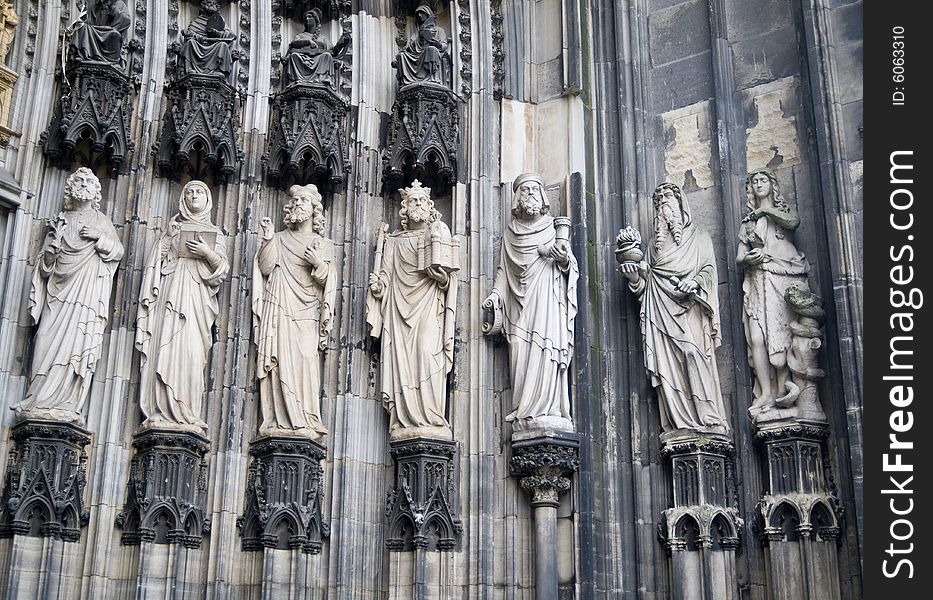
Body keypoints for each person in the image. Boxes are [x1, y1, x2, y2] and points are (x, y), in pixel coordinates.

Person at [17, 168, 124, 424]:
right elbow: (44, 268)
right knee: (44, 339)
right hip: (58, 294)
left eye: (89, 181)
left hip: (85, 296)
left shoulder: (101, 221)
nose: (83, 184)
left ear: (96, 191)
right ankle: (38, 399)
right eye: (79, 180)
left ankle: (67, 403)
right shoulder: (60, 220)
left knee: (76, 346)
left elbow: (117, 251)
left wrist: (99, 238)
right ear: (70, 187)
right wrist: (51, 254)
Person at [619, 182, 728, 433]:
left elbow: (709, 270)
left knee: (692, 353)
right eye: (658, 201)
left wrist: (694, 283)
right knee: (668, 368)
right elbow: (644, 287)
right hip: (660, 313)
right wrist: (634, 277)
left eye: (668, 197)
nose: (663, 203)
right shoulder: (650, 248)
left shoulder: (699, 237)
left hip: (690, 308)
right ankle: (678, 420)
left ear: (680, 204)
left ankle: (706, 414)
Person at [483, 172, 578, 431]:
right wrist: (495, 295)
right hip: (517, 307)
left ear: (543, 195)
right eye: (524, 190)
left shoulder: (552, 228)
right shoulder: (510, 234)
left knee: (546, 351)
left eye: (535, 189)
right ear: (517, 197)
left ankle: (549, 408)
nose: (530, 194)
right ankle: (524, 408)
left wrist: (562, 259)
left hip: (547, 302)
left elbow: (569, 266)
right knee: (520, 352)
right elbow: (504, 271)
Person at [366, 180, 458, 440]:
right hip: (398, 311)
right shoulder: (393, 242)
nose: (417, 205)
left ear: (429, 208)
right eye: (411, 201)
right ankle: (404, 418)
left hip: (428, 308)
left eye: (421, 201)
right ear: (404, 210)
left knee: (428, 354)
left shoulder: (437, 235)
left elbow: (449, 281)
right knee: (403, 364)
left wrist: (441, 278)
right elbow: (385, 277)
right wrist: (379, 287)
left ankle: (430, 415)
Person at [136, 180, 229, 432]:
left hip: (197, 302)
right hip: (170, 297)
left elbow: (221, 270)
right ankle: (162, 409)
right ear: (183, 199)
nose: (194, 195)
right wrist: (168, 239)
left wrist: (205, 252)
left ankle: (187, 410)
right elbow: (155, 267)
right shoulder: (173, 231)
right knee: (165, 346)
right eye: (189, 192)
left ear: (208, 199)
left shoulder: (214, 234)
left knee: (191, 352)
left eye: (199, 191)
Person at [252, 184, 336, 438]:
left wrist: (318, 263)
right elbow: (266, 269)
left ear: (314, 210)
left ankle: (308, 416)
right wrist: (267, 239)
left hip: (307, 311)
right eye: (295, 201)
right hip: (280, 308)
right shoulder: (278, 238)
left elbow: (329, 280)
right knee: (280, 363)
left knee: (307, 361)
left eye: (304, 201)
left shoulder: (322, 243)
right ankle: (280, 419)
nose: (298, 204)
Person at [736, 170, 810, 413]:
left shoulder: (784, 213)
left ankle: (782, 389)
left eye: (763, 180)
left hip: (783, 277)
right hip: (758, 278)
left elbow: (793, 222)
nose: (758, 184)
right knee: (757, 338)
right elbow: (739, 257)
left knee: (781, 336)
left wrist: (765, 211)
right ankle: (765, 393)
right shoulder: (748, 222)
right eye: (754, 181)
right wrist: (750, 258)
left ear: (772, 184)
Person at [282, 8, 349, 88]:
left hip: (318, 60)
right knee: (294, 56)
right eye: (306, 17)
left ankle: (322, 78)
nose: (307, 19)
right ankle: (298, 79)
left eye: (310, 17)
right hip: (303, 59)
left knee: (327, 55)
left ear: (316, 20)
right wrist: (308, 42)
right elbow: (293, 44)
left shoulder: (323, 38)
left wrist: (341, 43)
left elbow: (333, 52)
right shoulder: (300, 36)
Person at [392, 3, 450, 89]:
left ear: (427, 14)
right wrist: (420, 38)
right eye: (418, 14)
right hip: (417, 55)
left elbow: (444, 46)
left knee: (431, 49)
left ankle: (432, 79)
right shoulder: (416, 34)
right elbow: (409, 48)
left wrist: (436, 43)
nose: (419, 15)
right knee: (401, 55)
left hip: (432, 53)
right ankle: (405, 82)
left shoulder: (439, 31)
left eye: (421, 13)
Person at [177, 0, 235, 81]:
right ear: (203, 6)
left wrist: (218, 33)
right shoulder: (197, 22)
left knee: (223, 45)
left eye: (213, 3)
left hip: (214, 46)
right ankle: (190, 68)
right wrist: (197, 37)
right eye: (209, 3)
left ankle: (219, 70)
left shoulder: (220, 21)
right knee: (190, 42)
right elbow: (189, 34)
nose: (211, 5)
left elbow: (231, 35)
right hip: (199, 45)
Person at [69, 0, 130, 66]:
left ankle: (110, 61)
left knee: (115, 35)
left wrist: (113, 8)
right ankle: (83, 54)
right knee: (81, 26)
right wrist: (83, 11)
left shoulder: (120, 4)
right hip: (95, 31)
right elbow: (89, 23)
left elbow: (126, 20)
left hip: (110, 31)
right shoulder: (94, 7)